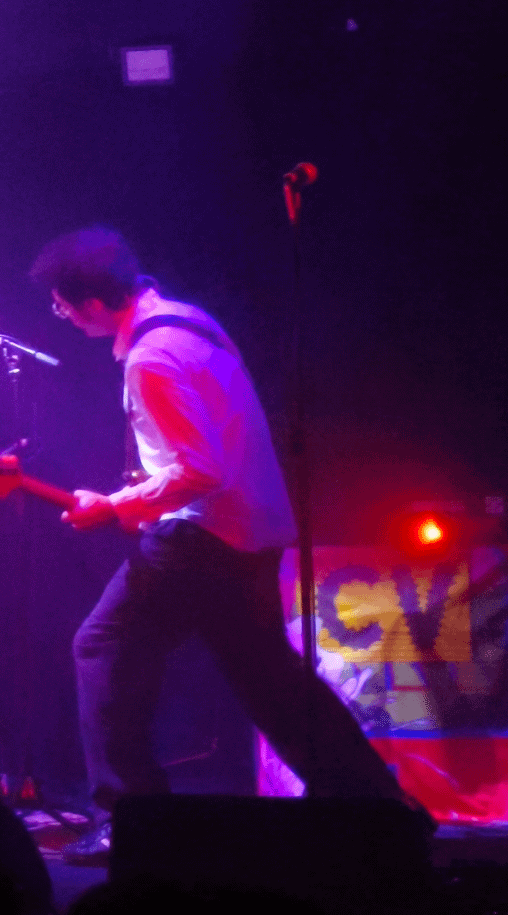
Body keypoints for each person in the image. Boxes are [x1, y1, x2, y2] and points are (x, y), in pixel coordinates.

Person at [29, 226, 417, 866]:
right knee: (272, 683)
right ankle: (381, 810)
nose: (60, 314)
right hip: (253, 529)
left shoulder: (151, 359)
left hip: (204, 533)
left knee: (101, 646)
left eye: (62, 303)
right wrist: (134, 499)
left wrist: (117, 505)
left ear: (93, 303)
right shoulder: (191, 322)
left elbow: (199, 469)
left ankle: (130, 820)